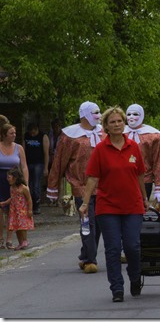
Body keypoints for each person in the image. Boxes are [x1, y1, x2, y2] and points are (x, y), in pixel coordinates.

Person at [80, 106, 148, 303]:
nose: (117, 125)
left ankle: (135, 278)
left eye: (120, 121)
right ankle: (117, 288)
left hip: (133, 205)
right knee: (112, 249)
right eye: (113, 122)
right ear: (106, 127)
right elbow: (92, 178)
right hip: (107, 206)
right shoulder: (101, 149)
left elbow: (140, 175)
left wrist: (145, 198)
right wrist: (85, 203)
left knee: (132, 246)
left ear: (124, 123)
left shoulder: (133, 146)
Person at [47, 101, 104, 273]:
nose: (99, 115)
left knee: (99, 224)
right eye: (95, 112)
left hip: (103, 187)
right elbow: (59, 162)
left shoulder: (104, 133)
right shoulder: (70, 136)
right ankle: (90, 260)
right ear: (85, 114)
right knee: (88, 223)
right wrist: (53, 188)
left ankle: (85, 255)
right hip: (81, 187)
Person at [124, 104, 160, 207]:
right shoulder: (118, 133)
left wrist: (159, 187)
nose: (131, 117)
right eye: (129, 114)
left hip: (144, 180)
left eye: (135, 114)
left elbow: (159, 161)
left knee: (139, 209)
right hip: (120, 179)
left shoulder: (154, 136)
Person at [0, 123, 29, 250]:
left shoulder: (19, 148)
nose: (14, 135)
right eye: (11, 133)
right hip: (1, 179)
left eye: (15, 133)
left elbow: (24, 166)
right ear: (4, 135)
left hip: (15, 180)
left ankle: (9, 239)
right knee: (1, 209)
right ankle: (0, 238)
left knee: (13, 210)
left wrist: (25, 183)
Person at [1, 167, 34, 250]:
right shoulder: (12, 188)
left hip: (22, 210)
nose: (7, 179)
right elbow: (12, 198)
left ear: (15, 177)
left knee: (22, 226)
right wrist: (5, 203)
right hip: (14, 211)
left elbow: (29, 199)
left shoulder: (24, 188)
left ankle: (25, 240)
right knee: (16, 227)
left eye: (9, 177)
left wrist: (30, 210)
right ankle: (20, 243)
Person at [23, 123, 49, 215]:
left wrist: (46, 167)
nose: (32, 135)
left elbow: (46, 153)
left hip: (39, 163)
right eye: (31, 133)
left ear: (37, 129)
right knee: (28, 184)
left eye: (34, 133)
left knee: (36, 184)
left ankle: (36, 205)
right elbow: (24, 150)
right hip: (28, 162)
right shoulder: (26, 136)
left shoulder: (43, 136)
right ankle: (29, 204)